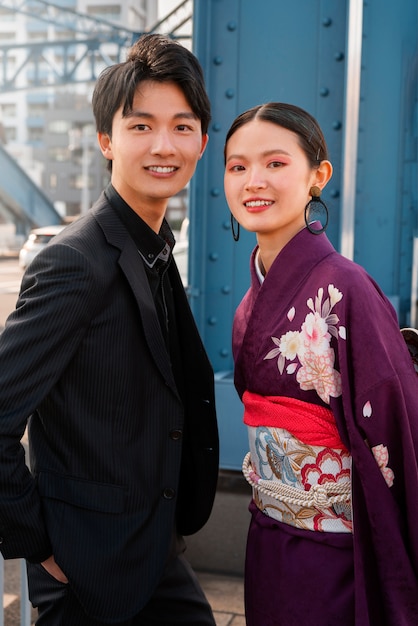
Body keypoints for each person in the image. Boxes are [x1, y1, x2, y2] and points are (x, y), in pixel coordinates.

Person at [0, 33, 219, 625]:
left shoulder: (152, 245)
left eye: (181, 125)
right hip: (87, 569)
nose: (164, 144)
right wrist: (38, 543)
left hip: (152, 546)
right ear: (106, 140)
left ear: (202, 139)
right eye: (141, 126)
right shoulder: (74, 260)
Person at [223, 102, 418, 625]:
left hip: (336, 557)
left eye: (276, 163)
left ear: (317, 176)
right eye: (237, 166)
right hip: (267, 535)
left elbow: (396, 432)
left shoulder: (347, 288)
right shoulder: (250, 305)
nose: (253, 181)